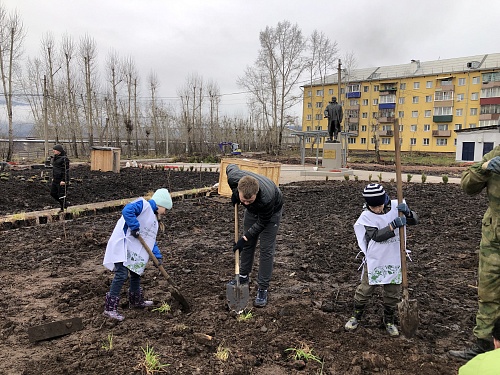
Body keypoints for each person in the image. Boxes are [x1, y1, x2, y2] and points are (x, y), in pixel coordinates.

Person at [344, 183, 418, 337]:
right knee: (365, 290)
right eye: (374, 207)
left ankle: (389, 321)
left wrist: (408, 214)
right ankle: (356, 316)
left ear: (385, 200)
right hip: (376, 259)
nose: (377, 209)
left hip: (395, 257)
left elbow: (413, 221)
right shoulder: (366, 216)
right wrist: (393, 226)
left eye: (380, 205)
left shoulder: (398, 206)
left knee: (393, 292)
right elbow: (376, 236)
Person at [449, 149, 500, 360]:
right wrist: (485, 168)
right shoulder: (495, 155)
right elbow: (467, 185)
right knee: (488, 293)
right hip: (494, 239)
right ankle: (484, 345)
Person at [102, 188, 173, 321]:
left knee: (136, 272)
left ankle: (135, 301)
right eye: (166, 209)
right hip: (122, 245)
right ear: (160, 204)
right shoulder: (143, 205)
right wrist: (134, 226)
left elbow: (150, 241)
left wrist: (157, 257)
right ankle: (110, 308)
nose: (165, 213)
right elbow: (127, 210)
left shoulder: (154, 221)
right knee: (122, 274)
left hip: (133, 250)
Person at [227, 164, 283, 308]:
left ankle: (263, 288)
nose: (245, 203)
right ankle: (243, 276)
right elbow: (230, 167)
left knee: (266, 250)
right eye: (243, 200)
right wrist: (235, 195)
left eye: (249, 201)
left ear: (256, 195)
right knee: (248, 246)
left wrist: (243, 239)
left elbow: (262, 223)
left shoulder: (266, 199)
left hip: (271, 214)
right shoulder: (234, 178)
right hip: (253, 212)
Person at [50, 144, 70, 211]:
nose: (53, 151)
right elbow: (54, 169)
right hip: (55, 179)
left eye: (55, 150)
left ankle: (63, 208)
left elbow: (66, 170)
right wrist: (53, 177)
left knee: (61, 195)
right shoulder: (55, 158)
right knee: (53, 193)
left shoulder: (64, 159)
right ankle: (65, 204)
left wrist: (64, 180)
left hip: (61, 180)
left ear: (59, 151)